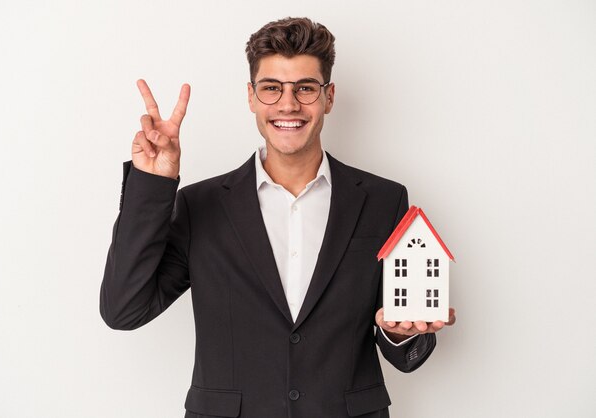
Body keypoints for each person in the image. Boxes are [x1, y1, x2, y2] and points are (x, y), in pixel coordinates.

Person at [100, 17, 455, 418]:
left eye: (305, 88)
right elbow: (123, 309)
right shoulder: (201, 206)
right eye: (272, 89)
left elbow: (408, 352)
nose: (288, 104)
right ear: (251, 97)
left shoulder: (383, 200)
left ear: (329, 97)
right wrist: (152, 182)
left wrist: (396, 332)